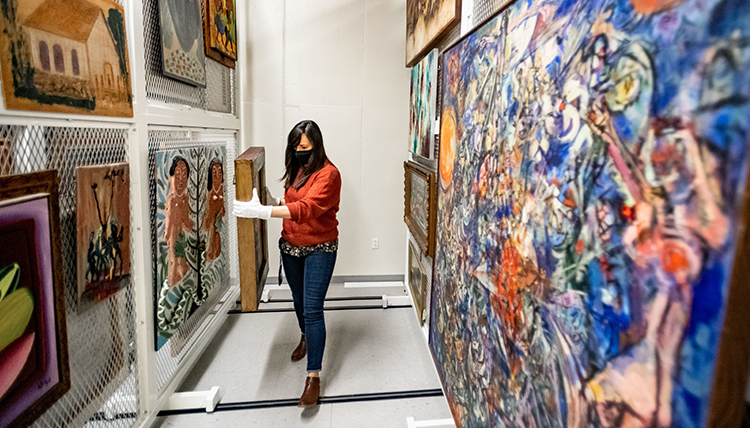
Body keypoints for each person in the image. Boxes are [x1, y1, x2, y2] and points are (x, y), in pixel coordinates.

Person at [233, 120, 341, 407]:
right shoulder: (298, 168)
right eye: (295, 147)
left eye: (304, 147)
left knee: (313, 309)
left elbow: (307, 209)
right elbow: (295, 198)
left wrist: (266, 211)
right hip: (290, 247)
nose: (299, 152)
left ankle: (313, 377)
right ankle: (306, 336)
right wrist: (273, 200)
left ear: (317, 146)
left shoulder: (329, 175)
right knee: (297, 299)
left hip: (320, 247)